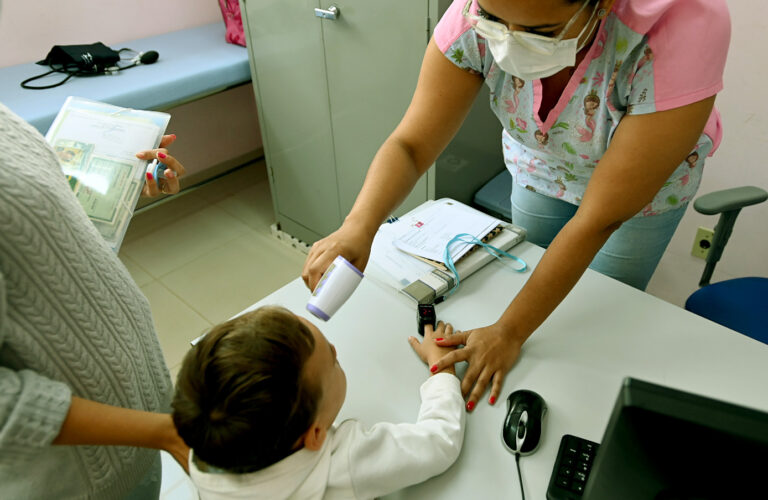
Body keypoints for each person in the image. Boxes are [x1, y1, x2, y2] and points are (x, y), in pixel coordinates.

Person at [301, 0, 730, 411]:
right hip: (541, 164)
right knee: (524, 281)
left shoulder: (682, 27)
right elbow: (412, 144)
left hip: (637, 202)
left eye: (541, 32)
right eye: (493, 19)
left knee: (594, 321)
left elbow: (599, 220)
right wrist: (360, 225)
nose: (508, 43)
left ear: (601, 4)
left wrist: (508, 332)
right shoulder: (472, 17)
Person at [0, 100, 188, 499]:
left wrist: (115, 192)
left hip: (132, 435)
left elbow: (33, 238)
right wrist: (163, 432)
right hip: (80, 478)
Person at [171, 306, 465, 499]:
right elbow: (440, 441)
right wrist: (442, 372)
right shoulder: (342, 463)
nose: (336, 349)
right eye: (333, 359)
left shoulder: (206, 461)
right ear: (314, 435)